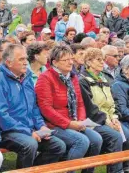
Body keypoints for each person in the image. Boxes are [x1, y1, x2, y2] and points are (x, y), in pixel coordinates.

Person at [0, 44, 65, 169]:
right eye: (21, 59)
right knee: (30, 144)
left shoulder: (26, 78)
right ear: (8, 62)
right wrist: (28, 132)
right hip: (5, 131)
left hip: (28, 129)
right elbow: (1, 117)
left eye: (26, 59)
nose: (25, 63)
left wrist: (41, 126)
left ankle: (34, 170)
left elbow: (33, 107)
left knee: (58, 146)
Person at [35, 45, 103, 173]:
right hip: (53, 125)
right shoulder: (45, 78)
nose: (71, 62)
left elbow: (80, 103)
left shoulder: (72, 77)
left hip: (74, 122)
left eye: (71, 59)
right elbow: (46, 109)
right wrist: (70, 124)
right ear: (54, 62)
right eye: (65, 60)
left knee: (97, 139)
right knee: (81, 141)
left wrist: (81, 121)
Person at [79, 48, 129, 173]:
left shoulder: (103, 79)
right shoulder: (83, 81)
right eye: (98, 60)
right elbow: (90, 108)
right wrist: (107, 122)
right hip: (93, 121)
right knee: (115, 137)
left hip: (109, 118)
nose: (102, 63)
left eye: (102, 60)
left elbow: (112, 102)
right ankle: (115, 171)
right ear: (88, 62)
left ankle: (125, 168)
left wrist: (114, 118)